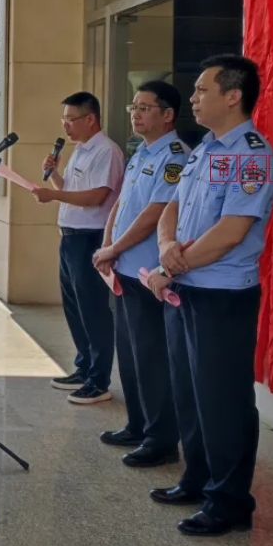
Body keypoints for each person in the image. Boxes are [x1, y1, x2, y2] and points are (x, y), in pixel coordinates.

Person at [147, 54, 273, 537]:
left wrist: (166, 266)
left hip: (223, 297)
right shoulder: (205, 149)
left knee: (224, 401)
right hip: (186, 288)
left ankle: (229, 502)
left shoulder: (252, 154)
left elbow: (230, 233)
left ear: (233, 95)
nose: (194, 97)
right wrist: (166, 247)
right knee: (190, 393)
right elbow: (173, 207)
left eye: (203, 90)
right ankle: (197, 478)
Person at [92, 81, 186, 467]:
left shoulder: (176, 156)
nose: (136, 113)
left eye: (145, 107)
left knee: (151, 357)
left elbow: (154, 215)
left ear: (167, 115)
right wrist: (107, 246)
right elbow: (121, 205)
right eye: (134, 106)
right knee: (129, 355)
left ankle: (160, 438)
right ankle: (136, 424)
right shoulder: (139, 153)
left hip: (149, 274)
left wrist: (116, 248)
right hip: (124, 269)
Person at [32, 91, 125, 405]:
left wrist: (53, 195)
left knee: (93, 309)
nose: (66, 126)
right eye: (64, 120)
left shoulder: (106, 152)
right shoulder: (80, 150)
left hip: (91, 238)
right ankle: (83, 367)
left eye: (71, 119)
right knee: (74, 307)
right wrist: (56, 176)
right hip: (70, 237)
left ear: (90, 119)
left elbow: (97, 197)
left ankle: (99, 380)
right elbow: (71, 191)